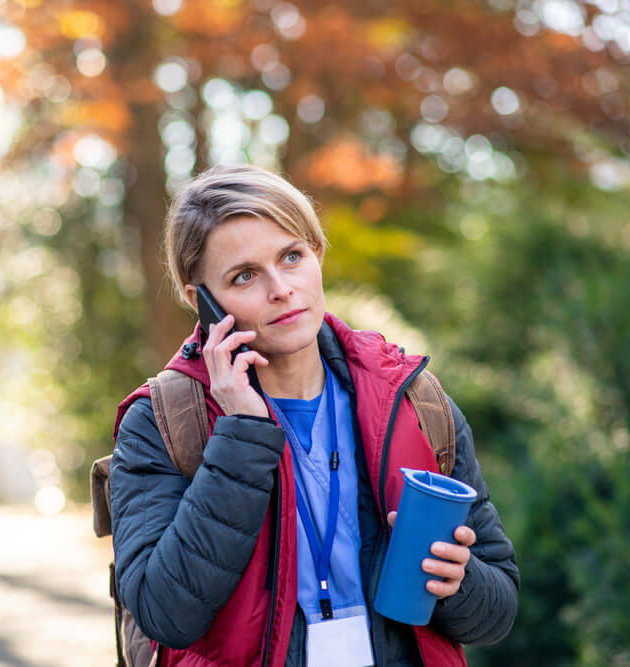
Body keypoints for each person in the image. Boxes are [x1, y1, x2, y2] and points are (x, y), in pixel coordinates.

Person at [110, 165, 519, 666]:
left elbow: (497, 612)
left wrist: (458, 582)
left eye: (291, 257)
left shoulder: (412, 401)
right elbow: (164, 613)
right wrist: (242, 433)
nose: (281, 289)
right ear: (204, 303)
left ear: (317, 254)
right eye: (244, 276)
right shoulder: (163, 422)